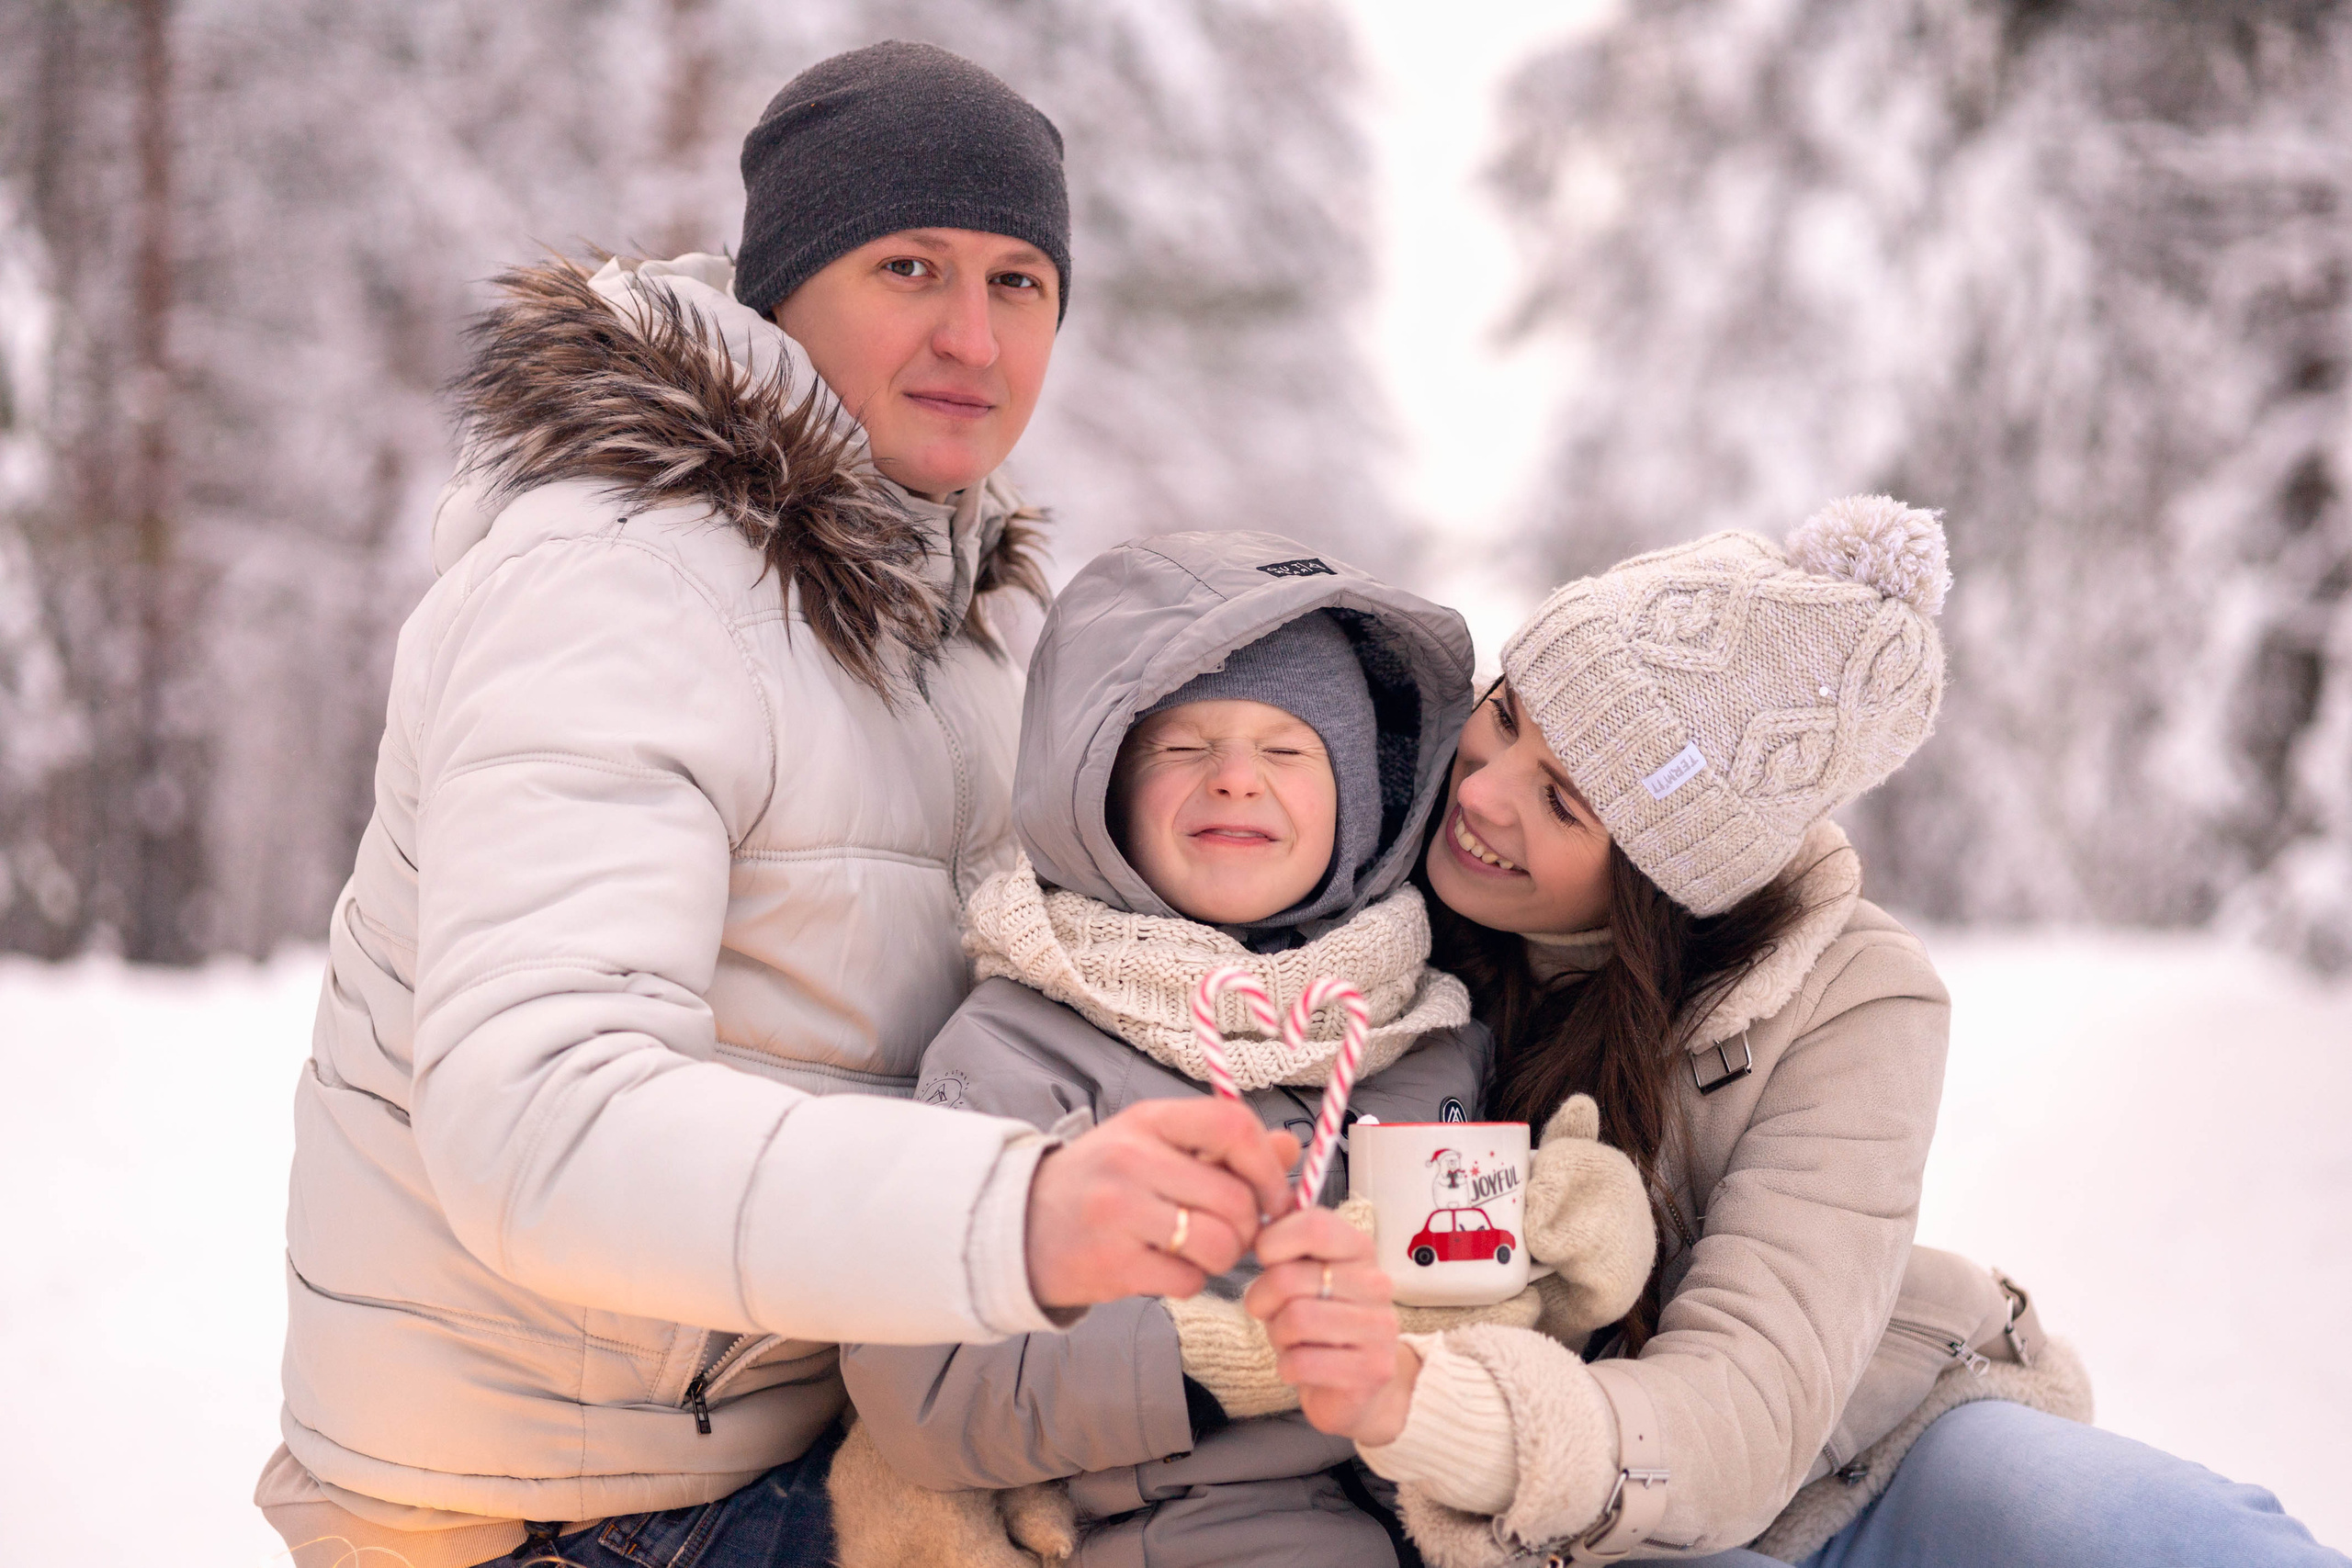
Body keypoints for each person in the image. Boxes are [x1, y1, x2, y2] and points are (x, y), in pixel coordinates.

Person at [255, 44, 1298, 1568]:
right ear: (783, 289)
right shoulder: (618, 584)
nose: (970, 333)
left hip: (796, 1431)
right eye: (909, 265)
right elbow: (543, 1114)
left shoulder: (964, 624)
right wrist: (1025, 1211)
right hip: (556, 1500)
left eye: (1020, 283)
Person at [1248, 497, 2350, 1565]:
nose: (1484, 795)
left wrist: (1452, 1413)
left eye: (1564, 803)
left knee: (2152, 1537)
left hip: (1867, 1446)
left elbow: (1749, 1399)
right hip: (1546, 1509)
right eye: (1504, 719)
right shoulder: (1364, 906)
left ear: (1661, 884)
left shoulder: (1855, 998)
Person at [829, 533, 1659, 1567]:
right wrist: (1229, 1356)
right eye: (1181, 747)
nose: (1232, 780)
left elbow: (1461, 1366)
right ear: (1097, 788)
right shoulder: (1021, 1043)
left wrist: (1554, 1268)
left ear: (1357, 802)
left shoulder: (1427, 1046)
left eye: (1287, 751)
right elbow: (927, 1393)